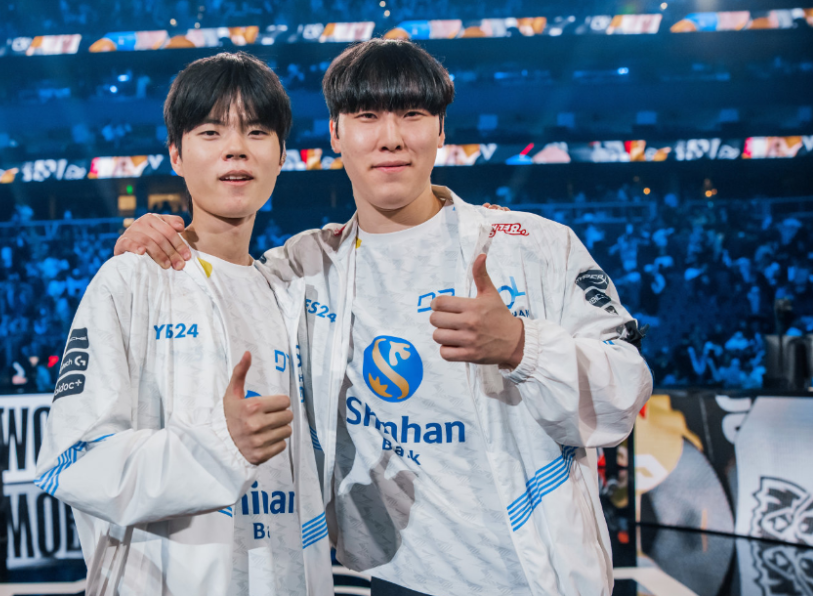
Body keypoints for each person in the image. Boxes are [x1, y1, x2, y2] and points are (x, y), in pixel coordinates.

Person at [117, 39, 652, 596]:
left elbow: (624, 394)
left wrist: (523, 347)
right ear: (335, 134)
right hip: (396, 579)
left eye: (412, 114)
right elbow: (221, 269)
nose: (390, 137)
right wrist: (154, 236)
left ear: (441, 130)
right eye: (367, 116)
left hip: (539, 578)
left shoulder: (533, 246)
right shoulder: (302, 269)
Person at [34, 52, 332, 596]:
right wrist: (222, 444)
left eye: (257, 132)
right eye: (211, 131)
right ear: (175, 153)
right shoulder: (131, 279)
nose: (236, 148)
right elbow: (73, 461)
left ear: (281, 156)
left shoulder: (292, 291)